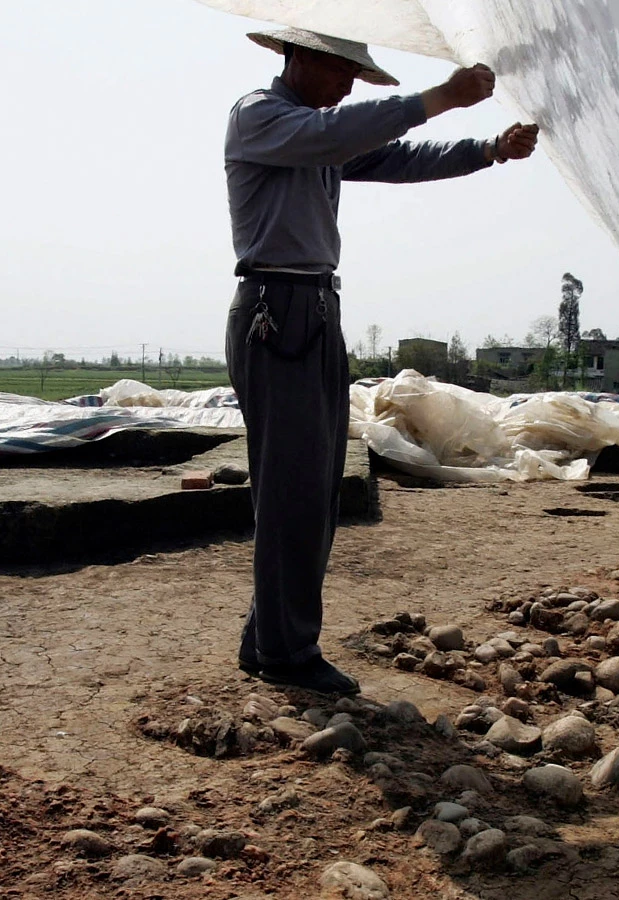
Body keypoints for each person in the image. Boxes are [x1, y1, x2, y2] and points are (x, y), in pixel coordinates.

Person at [224, 28, 538, 694]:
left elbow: (396, 158)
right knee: (293, 490)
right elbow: (355, 131)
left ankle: (269, 637)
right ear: (300, 58)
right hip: (275, 310)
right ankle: (286, 650)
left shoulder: (317, 134)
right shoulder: (262, 117)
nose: (346, 88)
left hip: (311, 309)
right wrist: (442, 97)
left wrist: (486, 150)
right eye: (342, 73)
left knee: (309, 486)